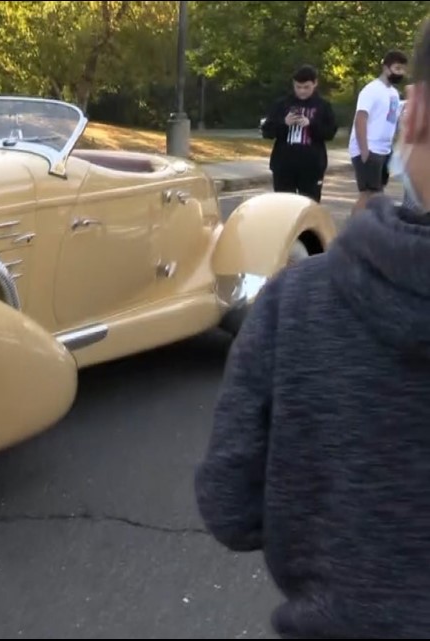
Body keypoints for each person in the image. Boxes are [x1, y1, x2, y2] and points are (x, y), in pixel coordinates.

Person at [195, 18, 430, 639]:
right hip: (286, 169)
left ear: (413, 117)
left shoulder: (296, 302)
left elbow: (230, 504)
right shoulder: (289, 110)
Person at [260, 64, 339, 202]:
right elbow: (267, 131)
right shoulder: (282, 104)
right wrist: (284, 123)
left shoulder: (323, 106)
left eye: (306, 87)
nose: (302, 91)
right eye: (298, 87)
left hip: (312, 166)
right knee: (283, 205)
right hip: (284, 165)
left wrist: (311, 124)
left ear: (315, 84)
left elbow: (330, 133)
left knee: (309, 205)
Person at [349, 49, 408, 214]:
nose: (400, 73)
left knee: (377, 194)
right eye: (397, 68)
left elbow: (392, 121)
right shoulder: (372, 90)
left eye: (402, 69)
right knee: (369, 195)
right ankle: (352, 231)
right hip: (370, 148)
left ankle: (367, 230)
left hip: (384, 150)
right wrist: (364, 151)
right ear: (386, 67)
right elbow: (361, 119)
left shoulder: (394, 94)